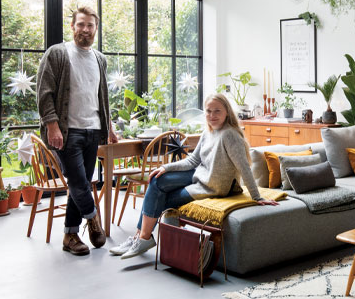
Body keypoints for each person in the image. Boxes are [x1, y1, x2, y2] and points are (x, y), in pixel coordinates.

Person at [110, 93, 278, 259]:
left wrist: (257, 196)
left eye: (217, 111)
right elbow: (192, 161)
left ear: (227, 111)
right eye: (208, 111)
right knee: (157, 179)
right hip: (199, 176)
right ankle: (139, 238)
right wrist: (165, 167)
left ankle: (142, 238)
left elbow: (244, 168)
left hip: (213, 187)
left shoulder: (229, 135)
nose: (212, 115)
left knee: (159, 199)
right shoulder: (208, 133)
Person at [37, 6, 118, 256]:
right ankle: (93, 220)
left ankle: (70, 236)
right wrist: (52, 125)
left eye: (90, 25)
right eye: (80, 24)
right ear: (72, 26)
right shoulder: (58, 54)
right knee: (79, 181)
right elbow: (44, 93)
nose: (85, 29)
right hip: (67, 131)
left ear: (96, 29)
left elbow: (101, 97)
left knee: (79, 183)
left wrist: (110, 127)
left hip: (93, 130)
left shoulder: (99, 59)